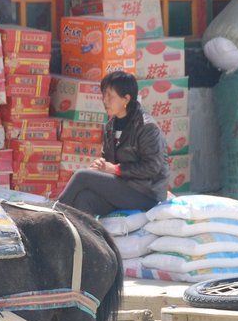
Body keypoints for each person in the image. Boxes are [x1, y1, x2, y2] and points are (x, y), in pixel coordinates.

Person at [56, 71, 170, 217]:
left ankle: (53, 214)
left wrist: (116, 169)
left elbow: (152, 167)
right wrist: (101, 166)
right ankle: (82, 232)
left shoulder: (146, 127)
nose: (105, 100)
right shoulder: (111, 126)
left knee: (82, 176)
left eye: (110, 96)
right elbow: (108, 160)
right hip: (122, 187)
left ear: (126, 99)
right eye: (104, 95)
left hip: (146, 193)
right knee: (84, 199)